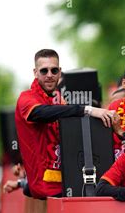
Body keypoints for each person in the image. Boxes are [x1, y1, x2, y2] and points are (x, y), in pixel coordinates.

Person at [15, 49, 114, 199]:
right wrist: (88, 110)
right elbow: (43, 113)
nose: (49, 75)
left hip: (67, 180)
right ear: (35, 72)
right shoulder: (26, 98)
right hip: (47, 189)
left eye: (54, 70)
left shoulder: (58, 99)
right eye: (44, 71)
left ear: (60, 72)